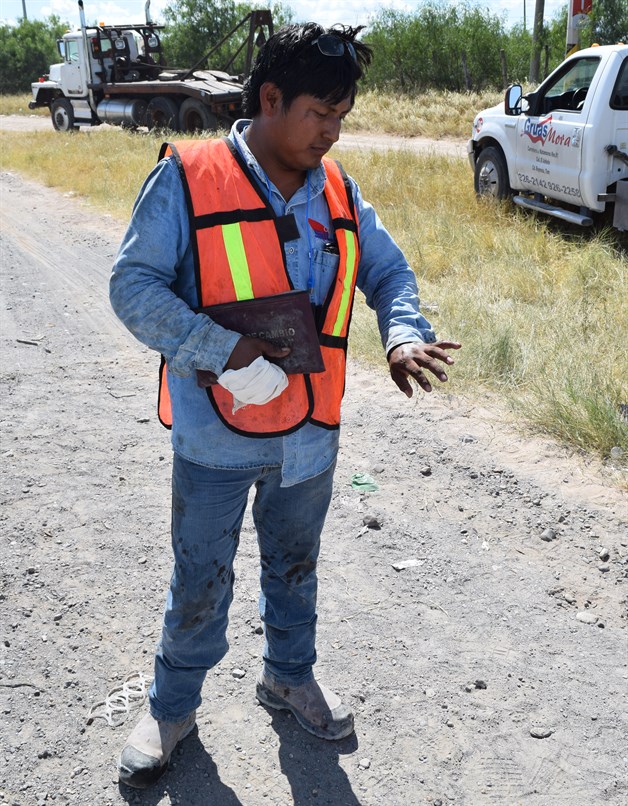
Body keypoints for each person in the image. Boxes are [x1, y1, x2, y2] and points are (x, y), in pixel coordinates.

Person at [109, 21, 461, 790]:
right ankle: (172, 708)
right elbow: (131, 289)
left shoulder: (338, 190)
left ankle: (288, 677)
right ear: (269, 98)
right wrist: (225, 351)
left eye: (341, 117)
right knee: (199, 579)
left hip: (310, 436)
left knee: (296, 569)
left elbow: (390, 273)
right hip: (216, 440)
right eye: (318, 114)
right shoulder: (188, 177)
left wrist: (403, 335)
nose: (331, 134)